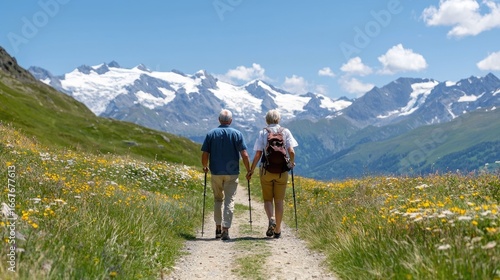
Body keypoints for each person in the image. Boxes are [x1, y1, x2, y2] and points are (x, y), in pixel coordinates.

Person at [246, 109, 298, 238]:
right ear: (278, 119)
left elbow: (258, 154)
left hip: (266, 170)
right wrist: (291, 163)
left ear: (267, 120)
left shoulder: (263, 132)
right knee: (279, 201)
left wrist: (251, 170)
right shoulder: (285, 131)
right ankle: (278, 230)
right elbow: (291, 151)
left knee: (268, 199)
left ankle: (271, 218)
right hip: (282, 171)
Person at [201, 109, 251, 241]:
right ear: (230, 121)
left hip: (216, 171)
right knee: (230, 200)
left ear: (219, 120)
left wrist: (205, 166)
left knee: (218, 199)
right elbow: (244, 154)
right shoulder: (237, 134)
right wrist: (249, 170)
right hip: (232, 173)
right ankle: (225, 229)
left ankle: (217, 227)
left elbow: (205, 153)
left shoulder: (211, 134)